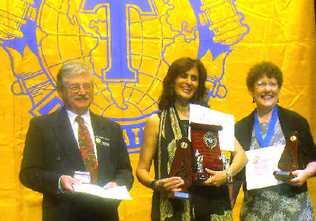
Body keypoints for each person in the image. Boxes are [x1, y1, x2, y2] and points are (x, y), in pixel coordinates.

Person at [19, 61, 133, 221]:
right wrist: (59, 181)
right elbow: (28, 173)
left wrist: (118, 184)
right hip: (63, 214)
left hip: (105, 215)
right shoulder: (42, 126)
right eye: (75, 87)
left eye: (87, 86)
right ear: (60, 91)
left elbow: (125, 171)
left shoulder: (111, 128)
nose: (82, 92)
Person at [136, 57, 247, 221]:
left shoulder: (211, 118)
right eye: (183, 76)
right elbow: (141, 170)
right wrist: (155, 184)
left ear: (199, 85)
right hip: (173, 208)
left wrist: (227, 175)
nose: (188, 82)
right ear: (172, 80)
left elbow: (242, 156)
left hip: (211, 206)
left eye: (194, 78)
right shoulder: (156, 122)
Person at [234, 61, 316, 220]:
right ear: (252, 90)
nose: (267, 89)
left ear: (279, 89)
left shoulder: (296, 121)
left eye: (273, 84)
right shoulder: (240, 127)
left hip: (294, 212)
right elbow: (236, 176)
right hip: (255, 213)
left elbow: (313, 160)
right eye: (261, 84)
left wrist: (305, 173)